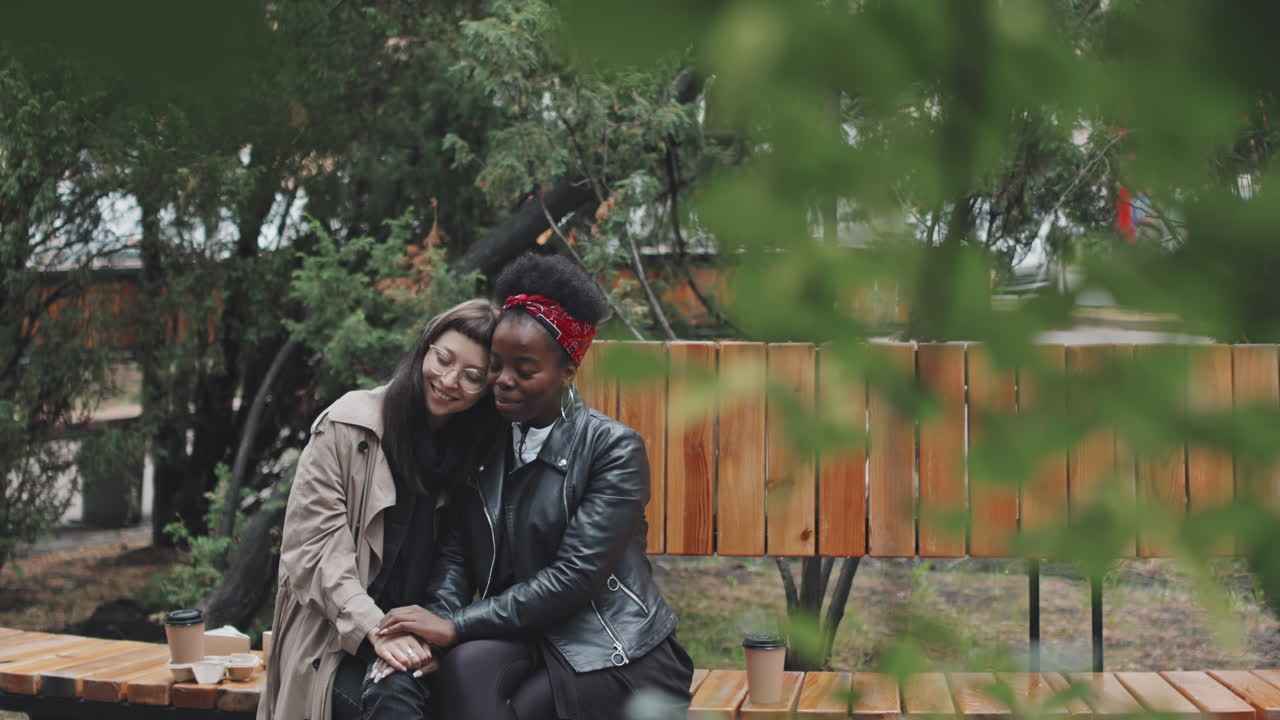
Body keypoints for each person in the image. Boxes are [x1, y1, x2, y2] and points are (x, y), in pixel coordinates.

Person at [373, 252, 694, 720]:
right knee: (461, 673)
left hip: (608, 644)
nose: (503, 382)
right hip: (523, 633)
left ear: (567, 370)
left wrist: (455, 625)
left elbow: (574, 579)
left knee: (508, 705)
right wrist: (435, 623)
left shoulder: (613, 450)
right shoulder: (485, 441)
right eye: (496, 365)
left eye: (524, 370)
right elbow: (458, 553)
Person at [258, 298, 502, 720]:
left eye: (472, 376)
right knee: (394, 701)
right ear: (424, 349)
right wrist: (377, 631)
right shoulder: (347, 427)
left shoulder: (474, 455)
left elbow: (455, 562)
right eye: (442, 359)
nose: (448, 380)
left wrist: (432, 635)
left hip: (417, 638)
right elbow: (315, 554)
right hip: (333, 637)